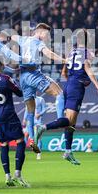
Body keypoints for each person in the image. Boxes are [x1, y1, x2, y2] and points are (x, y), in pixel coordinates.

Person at [34, 29, 98, 165]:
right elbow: (88, 68)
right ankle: (43, 127)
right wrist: (96, 84)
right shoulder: (86, 53)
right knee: (68, 120)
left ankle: (68, 152)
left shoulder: (71, 52)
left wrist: (71, 79)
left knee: (71, 124)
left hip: (68, 86)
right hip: (76, 88)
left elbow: (64, 72)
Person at [11, 23, 66, 154]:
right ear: (40, 32)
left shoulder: (24, 39)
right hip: (34, 74)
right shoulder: (38, 42)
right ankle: (59, 120)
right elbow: (49, 54)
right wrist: (64, 60)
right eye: (46, 34)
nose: (47, 37)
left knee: (30, 110)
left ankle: (32, 139)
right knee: (59, 93)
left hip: (23, 77)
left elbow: (12, 37)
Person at [0, 55, 30, 187]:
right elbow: (19, 93)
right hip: (9, 114)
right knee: (20, 141)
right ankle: (18, 174)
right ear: (2, 64)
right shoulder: (6, 79)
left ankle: (7, 176)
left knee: (4, 144)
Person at [23, 94, 46, 160]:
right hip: (30, 120)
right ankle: (22, 151)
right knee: (26, 135)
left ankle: (38, 154)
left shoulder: (41, 99)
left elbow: (44, 109)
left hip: (38, 121)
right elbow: (26, 110)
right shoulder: (28, 99)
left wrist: (39, 114)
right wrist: (24, 119)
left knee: (38, 138)